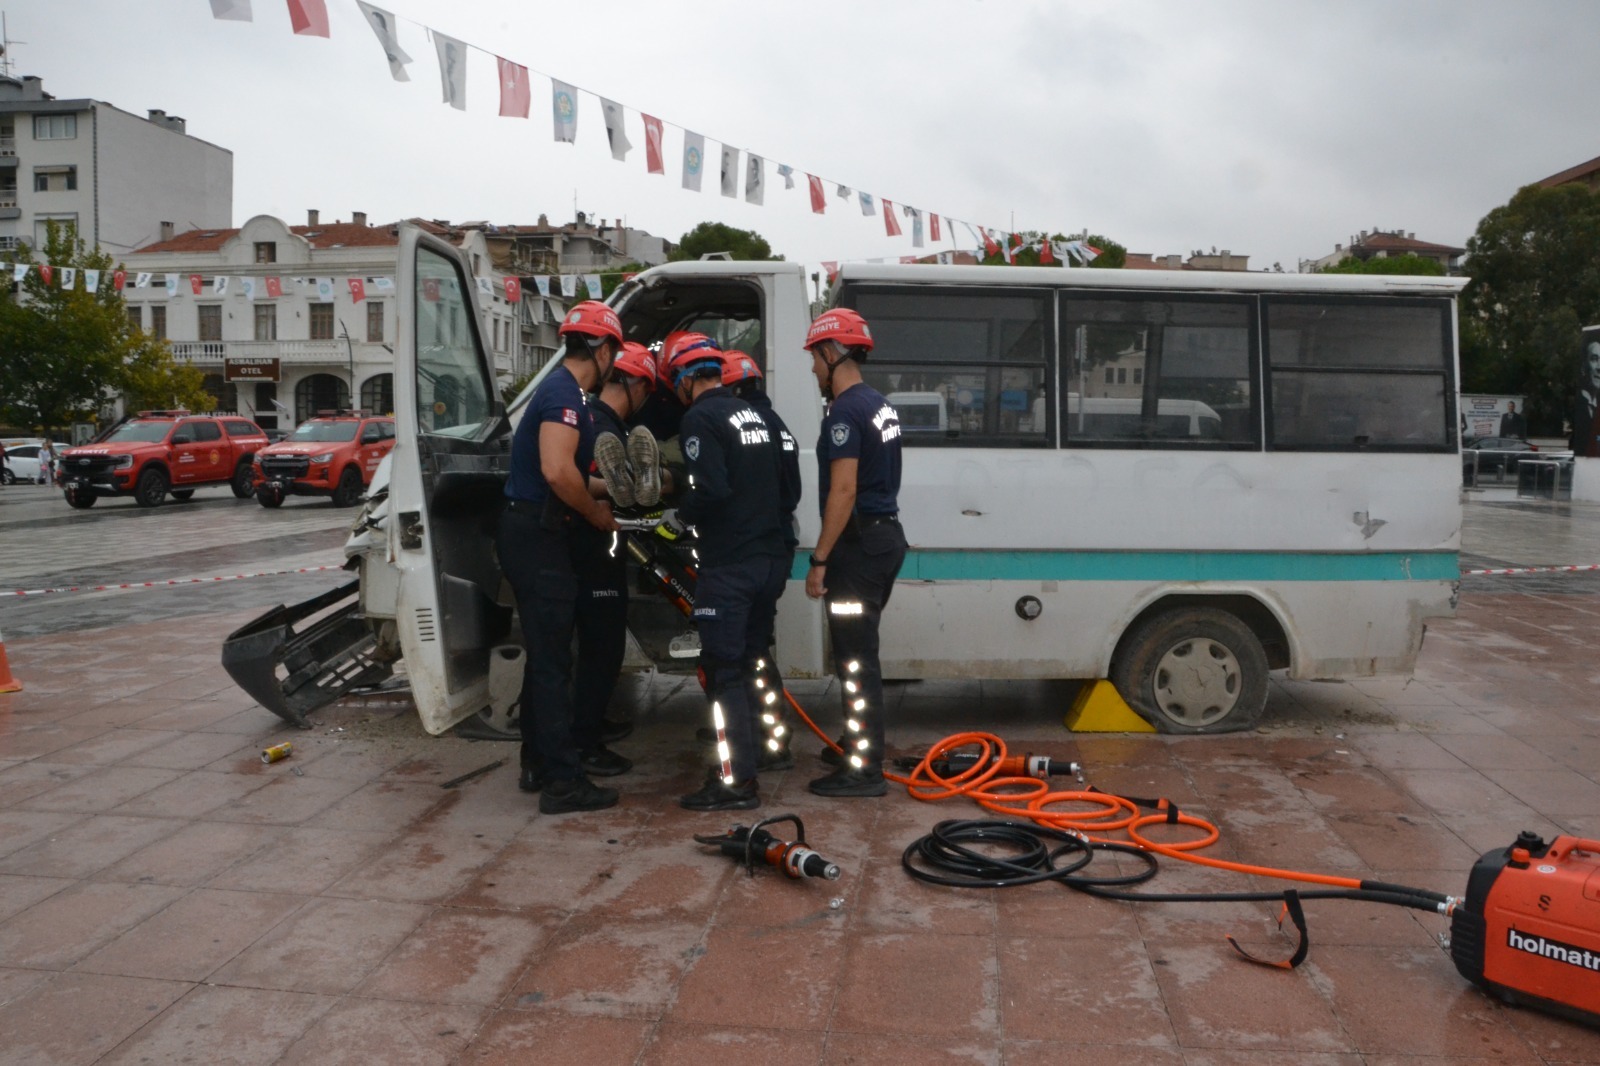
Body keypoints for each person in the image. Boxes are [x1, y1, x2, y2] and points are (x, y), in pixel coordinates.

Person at [496, 300, 626, 815]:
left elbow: (568, 473)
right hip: (538, 535)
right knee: (553, 662)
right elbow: (556, 472)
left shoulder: (562, 392)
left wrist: (613, 491)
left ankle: (536, 762)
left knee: (545, 656)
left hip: (534, 530)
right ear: (604, 350)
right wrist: (595, 513)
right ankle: (563, 783)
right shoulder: (565, 395)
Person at [662, 341, 789, 810]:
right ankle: (762, 751)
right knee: (752, 658)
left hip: (730, 565)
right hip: (768, 557)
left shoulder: (699, 418)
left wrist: (680, 518)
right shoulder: (753, 414)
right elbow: (784, 486)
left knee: (723, 672)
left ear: (685, 379)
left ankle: (735, 782)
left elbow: (711, 488)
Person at [802, 308, 906, 798]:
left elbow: (843, 491)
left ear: (830, 352)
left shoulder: (844, 411)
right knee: (859, 651)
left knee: (855, 658)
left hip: (859, 549)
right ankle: (855, 742)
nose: (813, 369)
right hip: (885, 539)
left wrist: (819, 559)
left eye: (814, 358)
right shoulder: (880, 404)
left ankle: (863, 769)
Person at [719, 350, 802, 769]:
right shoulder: (779, 425)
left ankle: (767, 737)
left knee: (745, 651)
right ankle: (760, 729)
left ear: (733, 389)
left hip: (753, 548)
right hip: (778, 545)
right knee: (756, 645)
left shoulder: (746, 424)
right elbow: (792, 492)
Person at [1572, 338, 1600, 458]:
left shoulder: (1597, 406)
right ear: (1584, 366)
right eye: (1594, 359)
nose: (1599, 367)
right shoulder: (1578, 404)